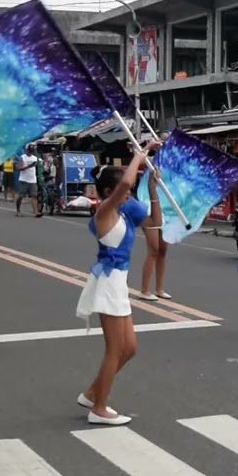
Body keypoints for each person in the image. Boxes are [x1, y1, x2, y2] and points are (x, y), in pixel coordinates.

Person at [76, 140, 162, 425]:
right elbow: (125, 185)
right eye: (122, 191)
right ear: (109, 193)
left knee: (130, 349)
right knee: (115, 349)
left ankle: (91, 393)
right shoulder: (104, 212)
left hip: (119, 283)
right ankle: (98, 409)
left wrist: (153, 188)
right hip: (108, 283)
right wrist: (140, 154)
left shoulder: (124, 211)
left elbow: (154, 223)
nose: (127, 193)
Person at [140, 132, 172, 301]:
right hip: (149, 206)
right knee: (153, 249)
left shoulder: (173, 164)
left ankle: (159, 289)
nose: (165, 145)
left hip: (166, 210)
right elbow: (138, 155)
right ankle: (145, 290)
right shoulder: (151, 161)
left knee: (163, 250)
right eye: (162, 141)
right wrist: (149, 146)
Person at [15, 144, 41, 217]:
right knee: (21, 196)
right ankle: (18, 210)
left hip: (32, 179)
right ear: (26, 150)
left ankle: (35, 212)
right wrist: (29, 166)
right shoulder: (23, 157)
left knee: (34, 195)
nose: (30, 152)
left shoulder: (35, 158)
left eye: (31, 151)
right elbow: (19, 168)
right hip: (24, 179)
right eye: (29, 151)